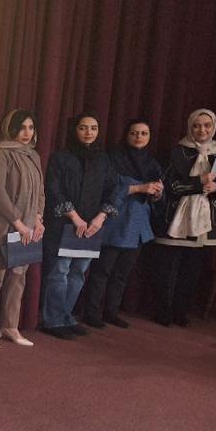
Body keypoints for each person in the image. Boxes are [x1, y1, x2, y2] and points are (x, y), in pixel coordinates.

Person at [39, 113, 118, 340]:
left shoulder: (103, 159)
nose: (88, 132)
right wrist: (75, 217)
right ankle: (53, 320)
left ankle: (66, 316)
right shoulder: (61, 157)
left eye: (93, 128)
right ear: (75, 130)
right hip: (65, 223)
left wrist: (100, 217)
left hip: (92, 227)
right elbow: (54, 189)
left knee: (78, 273)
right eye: (83, 127)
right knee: (60, 271)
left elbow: (113, 189)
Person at [153, 109, 216, 326]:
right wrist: (199, 182)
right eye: (197, 125)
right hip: (175, 217)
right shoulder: (178, 151)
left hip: (205, 220)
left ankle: (180, 313)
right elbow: (170, 185)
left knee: (192, 270)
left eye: (207, 125)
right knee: (168, 268)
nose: (202, 130)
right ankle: (163, 312)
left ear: (213, 127)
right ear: (190, 127)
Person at [0, 109, 45, 349]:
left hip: (28, 229)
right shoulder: (0, 153)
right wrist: (18, 223)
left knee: (18, 278)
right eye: (22, 127)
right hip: (4, 227)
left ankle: (9, 325)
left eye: (31, 127)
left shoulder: (33, 155)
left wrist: (38, 219)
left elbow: (40, 191)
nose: (27, 133)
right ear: (10, 128)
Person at [82, 119, 163, 328]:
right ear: (126, 135)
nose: (138, 137)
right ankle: (91, 312)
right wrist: (139, 188)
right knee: (102, 270)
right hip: (116, 220)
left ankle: (111, 311)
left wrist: (156, 193)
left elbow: (156, 197)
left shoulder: (152, 163)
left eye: (144, 133)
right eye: (134, 133)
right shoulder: (114, 157)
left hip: (138, 223)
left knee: (122, 273)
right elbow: (109, 186)